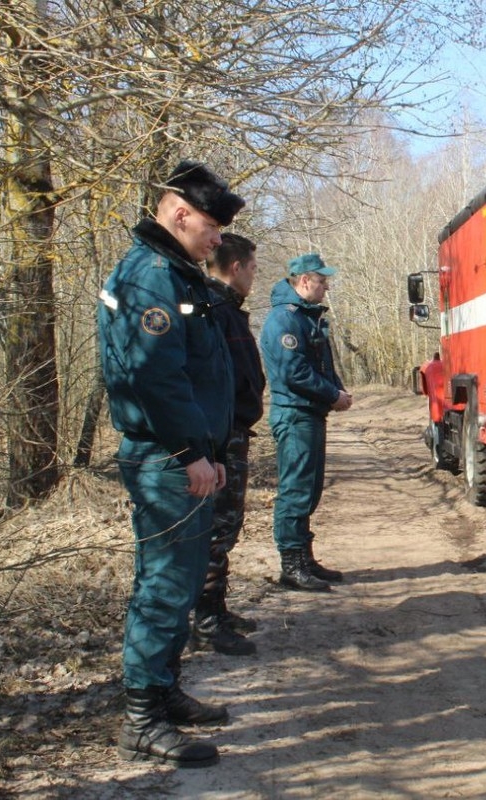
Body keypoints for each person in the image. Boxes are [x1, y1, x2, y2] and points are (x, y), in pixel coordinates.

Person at [97, 159, 245, 767]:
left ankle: (163, 690)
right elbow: (154, 377)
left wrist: (210, 449)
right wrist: (191, 453)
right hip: (164, 458)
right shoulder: (151, 277)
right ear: (178, 212)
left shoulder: (177, 274)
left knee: (179, 583)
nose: (217, 241)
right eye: (211, 226)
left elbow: (197, 373)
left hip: (183, 453)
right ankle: (142, 720)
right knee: (163, 586)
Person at [189, 233, 264, 657]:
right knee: (217, 528)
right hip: (221, 433)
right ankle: (207, 621)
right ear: (236, 267)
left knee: (227, 527)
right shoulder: (214, 310)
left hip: (232, 432)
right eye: (252, 267)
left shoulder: (227, 310)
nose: (254, 276)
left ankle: (217, 607)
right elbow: (214, 377)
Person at [261, 253, 352, 592]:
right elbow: (294, 371)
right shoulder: (284, 320)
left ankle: (305, 557)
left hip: (308, 414)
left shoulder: (304, 319)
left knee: (309, 490)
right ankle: (292, 564)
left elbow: (318, 364)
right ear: (303, 281)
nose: (326, 285)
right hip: (296, 414)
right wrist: (331, 395)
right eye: (322, 279)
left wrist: (337, 388)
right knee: (296, 491)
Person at [420, 352, 445, 465]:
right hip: (448, 401)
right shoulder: (449, 364)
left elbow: (425, 390)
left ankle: (438, 455)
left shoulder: (427, 367)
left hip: (436, 403)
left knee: (436, 426)